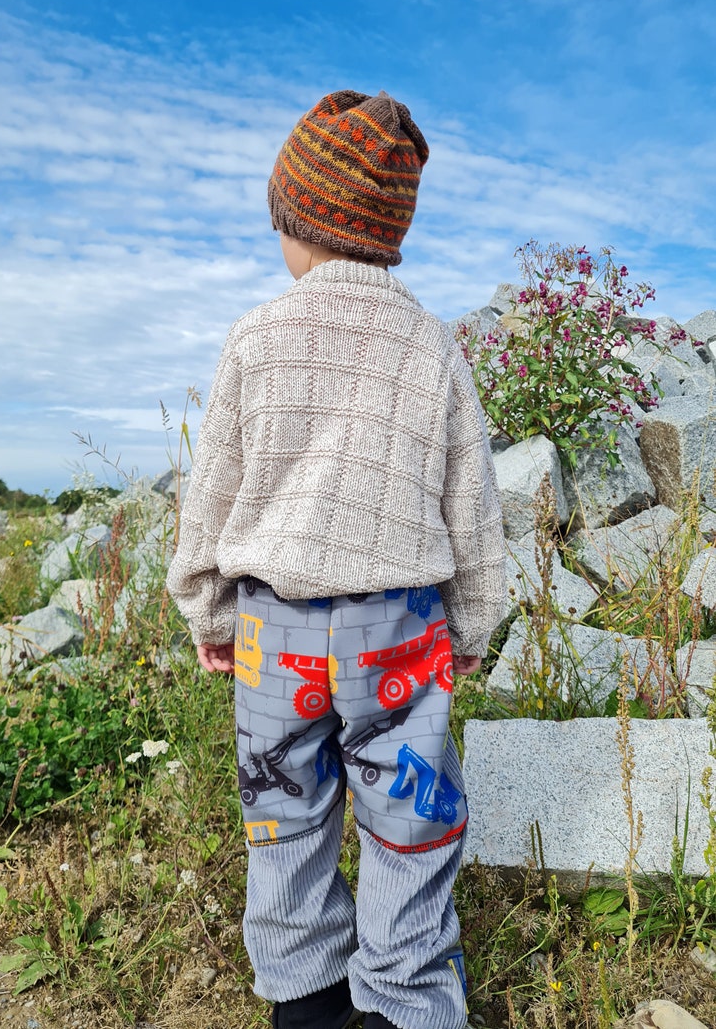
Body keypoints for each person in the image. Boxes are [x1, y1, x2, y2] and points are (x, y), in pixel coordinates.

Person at [167, 89, 507, 1029]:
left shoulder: (256, 336)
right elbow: (470, 505)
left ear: (294, 218)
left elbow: (214, 495)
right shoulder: (429, 343)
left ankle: (306, 998)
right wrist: (471, 625)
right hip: (397, 636)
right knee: (409, 826)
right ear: (389, 230)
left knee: (284, 816)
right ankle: (402, 999)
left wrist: (210, 611)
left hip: (274, 633)